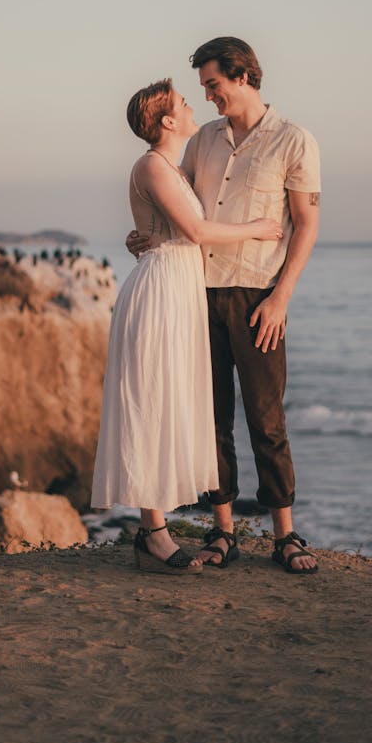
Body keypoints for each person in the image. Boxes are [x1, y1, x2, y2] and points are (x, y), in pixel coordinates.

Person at [128, 37, 321, 574]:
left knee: (266, 417)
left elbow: (306, 224)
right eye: (203, 88)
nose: (208, 96)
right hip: (195, 295)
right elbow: (179, 205)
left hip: (261, 296)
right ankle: (224, 531)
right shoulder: (202, 140)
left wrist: (282, 297)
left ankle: (286, 535)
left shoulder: (294, 141)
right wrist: (142, 234)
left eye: (213, 84)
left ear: (242, 76)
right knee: (210, 419)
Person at [91, 79, 283, 575]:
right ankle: (152, 533)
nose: (191, 105)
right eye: (181, 103)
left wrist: (145, 237)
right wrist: (257, 229)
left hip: (178, 289)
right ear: (168, 122)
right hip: (160, 292)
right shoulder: (152, 166)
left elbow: (170, 228)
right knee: (152, 402)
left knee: (168, 401)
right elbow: (196, 232)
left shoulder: (172, 169)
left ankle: (155, 530)